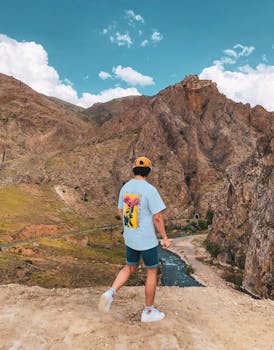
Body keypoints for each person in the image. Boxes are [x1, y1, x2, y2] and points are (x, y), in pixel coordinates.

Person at [98, 156, 171, 322]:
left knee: (130, 266)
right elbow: (157, 217)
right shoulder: (150, 190)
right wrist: (165, 238)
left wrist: (130, 227)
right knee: (151, 271)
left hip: (130, 237)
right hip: (146, 240)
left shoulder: (126, 188)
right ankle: (148, 312)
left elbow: (120, 211)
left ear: (134, 170)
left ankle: (110, 292)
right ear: (148, 171)